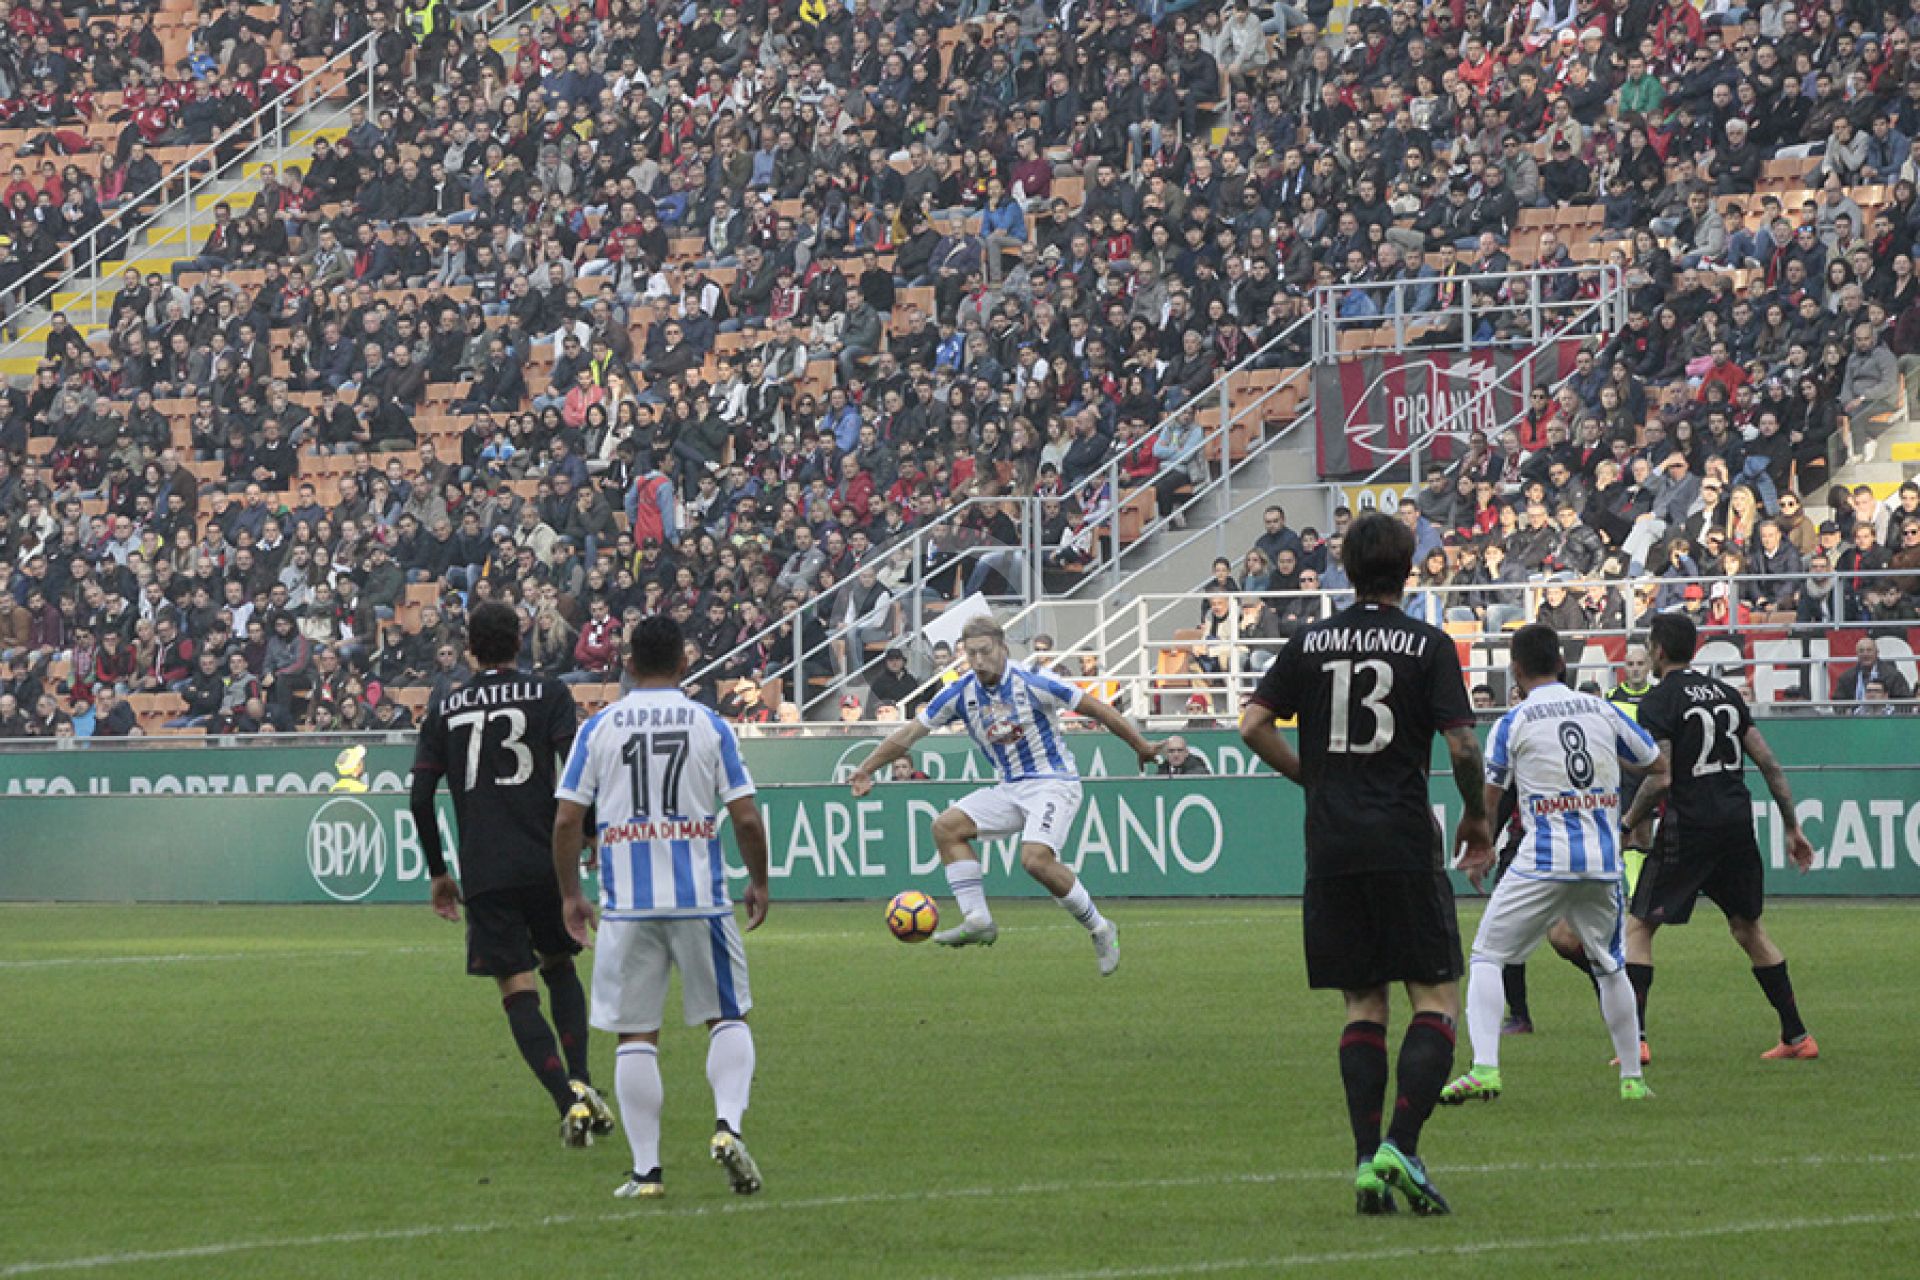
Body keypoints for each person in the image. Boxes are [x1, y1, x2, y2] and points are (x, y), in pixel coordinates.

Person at [1237, 513, 1492, 1217]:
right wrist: (1476, 815)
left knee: (1363, 1004)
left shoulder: (1308, 642)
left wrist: (1311, 777)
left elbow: (1252, 723)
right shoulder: (1429, 644)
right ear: (1408, 570)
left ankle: (1363, 1164)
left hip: (1332, 843)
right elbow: (1464, 747)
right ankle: (1400, 1146)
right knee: (1435, 998)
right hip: (1403, 839)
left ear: (1346, 569)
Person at [551, 615, 772, 1201]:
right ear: (684, 663)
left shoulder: (598, 727)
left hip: (627, 906)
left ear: (627, 664)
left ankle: (647, 1172)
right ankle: (727, 1127)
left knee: (635, 1035)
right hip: (701, 901)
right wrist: (758, 880)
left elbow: (568, 819)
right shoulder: (710, 725)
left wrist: (571, 894)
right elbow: (746, 818)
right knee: (727, 1017)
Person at [845, 615, 1161, 973]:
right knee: (946, 828)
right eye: (971, 654)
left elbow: (1097, 708)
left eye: (985, 651)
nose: (978, 661)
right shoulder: (960, 692)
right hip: (1010, 787)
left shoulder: (1034, 680)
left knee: (1035, 860)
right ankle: (978, 919)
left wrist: (1141, 744)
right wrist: (867, 768)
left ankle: (1101, 929)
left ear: (1003, 649)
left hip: (1053, 781)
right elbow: (908, 734)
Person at [409, 601, 612, 1148]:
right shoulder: (549, 694)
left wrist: (438, 871)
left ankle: (567, 1102)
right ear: (519, 643)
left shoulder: (445, 709)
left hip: (486, 868)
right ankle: (581, 1080)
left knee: (516, 988)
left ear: (470, 649)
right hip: (545, 858)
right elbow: (576, 771)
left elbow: (420, 797)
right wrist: (589, 830)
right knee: (559, 965)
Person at [1438, 624, 1659, 1108]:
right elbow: (1655, 761)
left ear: (1515, 669)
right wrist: (1619, 801)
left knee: (1487, 955)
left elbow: (1489, 798)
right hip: (1602, 860)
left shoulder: (1513, 722)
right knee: (1610, 965)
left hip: (1543, 859)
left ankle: (1484, 1068)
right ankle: (1632, 1079)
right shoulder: (1602, 708)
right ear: (1561, 663)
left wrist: (1482, 846)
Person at [1620, 612, 1818, 1062]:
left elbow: (1662, 778)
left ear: (1658, 650)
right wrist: (1792, 826)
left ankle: (1635, 1042)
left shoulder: (1658, 702)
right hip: (1735, 824)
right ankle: (1797, 1036)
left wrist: (1627, 823)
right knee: (1748, 928)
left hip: (1689, 826)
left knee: (1640, 925)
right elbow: (1768, 763)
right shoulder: (1727, 694)